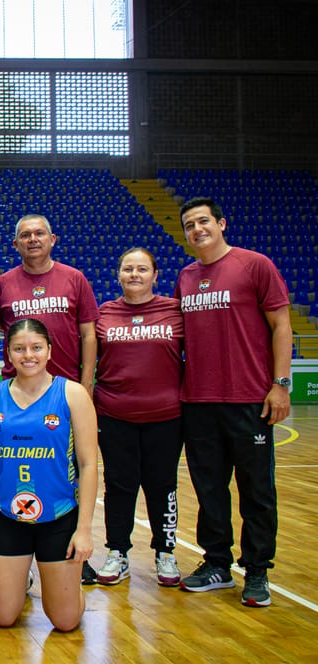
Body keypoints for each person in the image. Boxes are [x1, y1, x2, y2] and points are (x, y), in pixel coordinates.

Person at [173, 197, 291, 608]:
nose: (197, 229)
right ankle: (217, 563)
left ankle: (257, 570)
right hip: (198, 400)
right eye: (189, 225)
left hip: (249, 399)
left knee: (257, 489)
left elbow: (281, 324)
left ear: (221, 223)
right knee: (209, 489)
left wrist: (280, 384)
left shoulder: (254, 264)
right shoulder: (186, 276)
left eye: (203, 221)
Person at [0, 213, 99, 583]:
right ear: (15, 244)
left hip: (63, 393)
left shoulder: (75, 278)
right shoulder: (2, 284)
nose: (32, 239)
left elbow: (88, 335)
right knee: (14, 464)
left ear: (53, 238)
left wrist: (85, 387)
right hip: (17, 394)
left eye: (39, 233)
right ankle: (17, 557)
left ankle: (72, 544)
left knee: (68, 470)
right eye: (24, 235)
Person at [0, 318, 98, 632]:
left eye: (36, 347)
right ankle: (20, 576)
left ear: (50, 351)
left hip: (58, 515)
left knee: (66, 621)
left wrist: (84, 530)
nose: (28, 355)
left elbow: (88, 464)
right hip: (6, 514)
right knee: (2, 617)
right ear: (9, 354)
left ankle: (66, 589)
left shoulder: (73, 394)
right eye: (19, 348)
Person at [93, 248, 185, 587]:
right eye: (128, 269)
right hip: (114, 414)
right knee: (119, 485)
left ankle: (166, 552)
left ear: (155, 275)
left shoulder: (175, 311)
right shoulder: (105, 313)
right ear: (117, 275)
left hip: (166, 415)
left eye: (142, 269)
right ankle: (117, 551)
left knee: (162, 485)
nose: (134, 274)